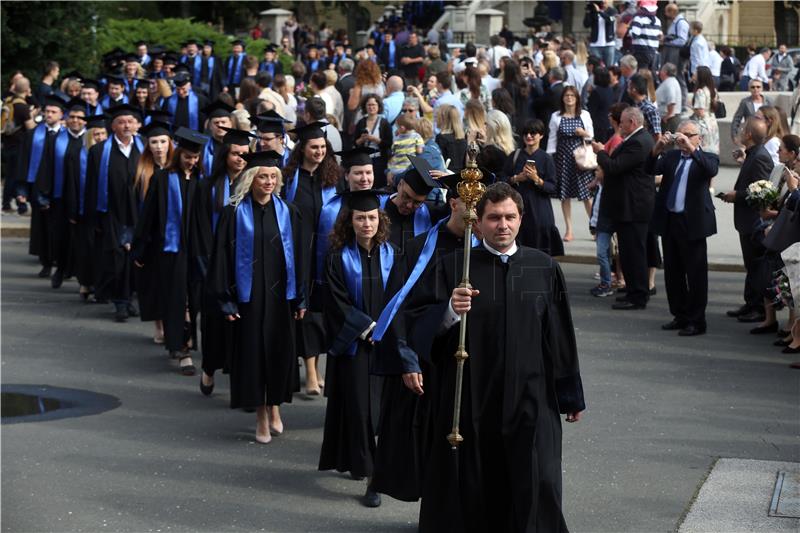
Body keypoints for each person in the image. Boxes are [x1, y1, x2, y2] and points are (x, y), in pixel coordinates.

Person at [403, 181, 584, 531]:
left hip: (531, 396)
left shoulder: (541, 267)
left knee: (537, 476)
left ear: (521, 219)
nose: (503, 225)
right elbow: (417, 324)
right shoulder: (457, 266)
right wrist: (449, 311)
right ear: (479, 222)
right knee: (474, 481)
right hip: (473, 397)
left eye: (509, 217)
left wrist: (569, 394)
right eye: (494, 218)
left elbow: (559, 336)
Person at [208, 150, 304, 443]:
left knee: (277, 353)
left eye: (273, 177)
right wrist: (226, 299)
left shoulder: (289, 212)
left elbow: (300, 257)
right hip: (248, 299)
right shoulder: (233, 212)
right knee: (253, 357)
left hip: (278, 299)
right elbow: (220, 258)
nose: (269, 182)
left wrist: (301, 298)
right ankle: (261, 415)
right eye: (263, 176)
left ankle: (275, 407)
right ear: (251, 179)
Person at [318, 188, 397, 508]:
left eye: (372, 218)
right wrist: (368, 328)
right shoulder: (337, 258)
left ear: (381, 220)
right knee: (361, 410)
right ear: (349, 222)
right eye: (361, 218)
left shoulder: (393, 254)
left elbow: (400, 296)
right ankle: (371, 478)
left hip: (387, 344)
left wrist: (388, 330)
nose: (367, 223)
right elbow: (336, 303)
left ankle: (371, 465)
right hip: (355, 345)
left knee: (382, 412)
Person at [132, 127, 207, 375]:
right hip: (170, 251)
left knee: (193, 300)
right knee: (177, 300)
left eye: (195, 158)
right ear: (179, 155)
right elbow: (148, 217)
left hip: (195, 251)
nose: (192, 161)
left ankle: (184, 340)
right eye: (188, 157)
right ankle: (180, 348)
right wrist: (140, 250)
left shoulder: (200, 182)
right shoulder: (162, 179)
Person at [194, 127, 255, 395]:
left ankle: (238, 378)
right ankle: (209, 368)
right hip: (212, 263)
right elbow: (199, 227)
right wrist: (210, 265)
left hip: (241, 265)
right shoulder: (207, 186)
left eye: (245, 154)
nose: (241, 158)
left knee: (240, 327)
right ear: (224, 155)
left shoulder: (253, 187)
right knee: (214, 323)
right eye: (235, 153)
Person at [282, 121, 340, 395]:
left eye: (322, 147)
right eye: (314, 147)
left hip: (325, 256)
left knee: (320, 312)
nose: (319, 151)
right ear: (302, 149)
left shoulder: (332, 178)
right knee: (303, 313)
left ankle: (315, 370)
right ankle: (310, 373)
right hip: (297, 253)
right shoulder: (290, 178)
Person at [648, 120, 719, 336]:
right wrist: (658, 148)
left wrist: (691, 149)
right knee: (673, 272)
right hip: (671, 221)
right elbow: (648, 169)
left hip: (693, 224)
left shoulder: (707, 157)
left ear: (700, 138)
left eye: (689, 134)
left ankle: (697, 321)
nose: (683, 138)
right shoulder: (671, 157)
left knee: (696, 274)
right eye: (681, 134)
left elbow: (710, 170)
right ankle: (680, 315)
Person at [85, 104, 145, 321]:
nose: (126, 125)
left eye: (130, 121)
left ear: (137, 125)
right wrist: (94, 218)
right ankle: (120, 302)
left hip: (140, 213)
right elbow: (91, 186)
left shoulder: (144, 148)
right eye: (121, 121)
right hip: (112, 212)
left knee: (134, 258)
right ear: (113, 126)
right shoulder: (99, 151)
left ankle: (129, 298)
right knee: (116, 258)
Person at [591, 106, 656, 310]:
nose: (620, 126)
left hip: (633, 208)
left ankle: (638, 295)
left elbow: (613, 166)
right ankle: (632, 290)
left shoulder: (639, 142)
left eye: (623, 123)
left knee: (634, 252)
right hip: (626, 206)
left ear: (633, 123)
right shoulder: (635, 139)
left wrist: (601, 152)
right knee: (627, 252)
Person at [719, 116, 774, 323]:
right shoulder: (753, 154)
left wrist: (737, 196)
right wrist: (743, 161)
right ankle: (750, 303)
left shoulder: (760, 156)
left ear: (749, 134)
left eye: (743, 129)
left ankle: (758, 307)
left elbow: (761, 191)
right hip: (747, 220)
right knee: (751, 265)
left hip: (753, 221)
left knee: (756, 266)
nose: (741, 131)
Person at [131, 120, 174, 344]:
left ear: (170, 143)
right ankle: (159, 325)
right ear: (148, 145)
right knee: (154, 283)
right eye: (154, 142)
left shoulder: (177, 169)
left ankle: (174, 324)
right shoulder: (142, 172)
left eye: (162, 142)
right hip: (151, 237)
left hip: (173, 234)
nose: (159, 147)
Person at [17, 94, 68, 279]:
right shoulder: (33, 136)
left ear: (62, 115)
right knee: (43, 228)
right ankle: (46, 262)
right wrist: (22, 190)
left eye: (53, 112)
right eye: (47, 111)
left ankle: (61, 263)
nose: (49, 114)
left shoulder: (67, 137)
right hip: (39, 187)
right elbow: (23, 162)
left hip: (61, 189)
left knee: (60, 229)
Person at [505, 118, 563, 256]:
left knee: (540, 251)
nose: (529, 136)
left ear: (541, 135)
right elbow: (502, 179)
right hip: (518, 209)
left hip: (540, 211)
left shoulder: (546, 158)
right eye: (526, 133)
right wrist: (516, 178)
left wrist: (537, 179)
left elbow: (553, 187)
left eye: (533, 133)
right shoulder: (515, 155)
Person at [547, 85, 595, 242]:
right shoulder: (556, 116)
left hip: (580, 158)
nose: (569, 98)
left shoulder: (585, 115)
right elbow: (552, 138)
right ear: (562, 98)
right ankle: (569, 230)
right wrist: (549, 159)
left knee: (586, 194)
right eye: (566, 95)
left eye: (572, 96)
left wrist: (583, 133)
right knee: (564, 195)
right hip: (563, 158)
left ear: (577, 98)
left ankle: (594, 227)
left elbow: (591, 137)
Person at [383, 155, 447, 250]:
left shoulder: (429, 214)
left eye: (417, 202)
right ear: (400, 184)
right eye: (406, 196)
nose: (409, 205)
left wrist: (452, 184)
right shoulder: (378, 208)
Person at [353, 95, 392, 189]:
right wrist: (362, 139)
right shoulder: (361, 122)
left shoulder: (384, 123)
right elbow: (355, 142)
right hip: (365, 159)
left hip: (379, 159)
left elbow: (389, 143)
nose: (371, 107)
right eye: (369, 105)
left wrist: (375, 139)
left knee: (379, 184)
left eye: (374, 105)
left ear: (379, 107)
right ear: (365, 107)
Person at [662, 3, 690, 108]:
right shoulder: (675, 22)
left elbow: (682, 40)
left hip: (677, 54)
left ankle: (683, 104)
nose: (665, 14)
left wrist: (667, 42)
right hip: (673, 53)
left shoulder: (681, 23)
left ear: (672, 12)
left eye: (666, 11)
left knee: (679, 76)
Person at [731, 79, 774, 145]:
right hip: (751, 137)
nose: (755, 89)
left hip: (766, 136)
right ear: (749, 89)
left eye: (758, 87)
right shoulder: (745, 102)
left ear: (762, 88)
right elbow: (737, 119)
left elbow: (774, 118)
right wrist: (734, 136)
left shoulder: (769, 101)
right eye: (753, 87)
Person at [691, 66, 720, 154]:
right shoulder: (713, 90)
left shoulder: (700, 92)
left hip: (703, 124)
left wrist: (691, 106)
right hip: (712, 122)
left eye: (696, 73)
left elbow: (700, 112)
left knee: (702, 150)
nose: (694, 74)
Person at [434, 104, 467, 174]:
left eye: (437, 116)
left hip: (446, 176)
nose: (435, 118)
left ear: (443, 118)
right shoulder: (463, 138)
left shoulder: (441, 138)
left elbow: (438, 161)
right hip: (461, 176)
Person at [584, 0, 617, 68]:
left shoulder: (612, 11)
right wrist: (588, 12)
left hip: (608, 44)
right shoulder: (593, 11)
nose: (603, 2)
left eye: (605, 1)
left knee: (609, 67)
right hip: (595, 44)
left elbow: (610, 20)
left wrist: (599, 12)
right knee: (596, 67)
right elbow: (586, 24)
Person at [587, 67, 615, 142]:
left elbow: (591, 110)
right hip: (607, 123)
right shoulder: (610, 89)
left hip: (598, 125)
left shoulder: (596, 92)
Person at [656, 63, 682, 133]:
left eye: (661, 70)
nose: (659, 72)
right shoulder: (670, 82)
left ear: (665, 72)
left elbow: (671, 99)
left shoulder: (670, 83)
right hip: (668, 118)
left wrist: (669, 114)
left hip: (669, 120)